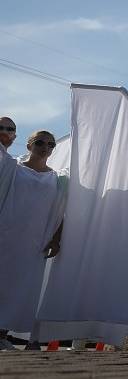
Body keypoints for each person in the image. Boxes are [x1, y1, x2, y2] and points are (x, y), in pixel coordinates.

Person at [0, 131, 66, 351]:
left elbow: (61, 212)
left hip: (34, 242)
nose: (45, 146)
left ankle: (2, 334)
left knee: (21, 288)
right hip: (6, 235)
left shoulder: (58, 178)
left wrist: (56, 239)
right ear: (29, 146)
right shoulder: (13, 169)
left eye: (50, 143)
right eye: (40, 142)